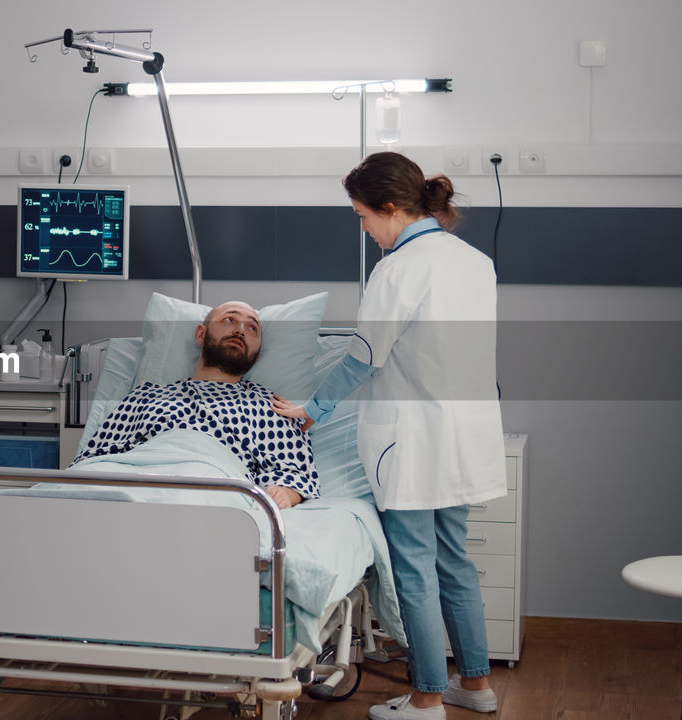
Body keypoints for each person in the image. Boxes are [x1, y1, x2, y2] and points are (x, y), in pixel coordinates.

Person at [271, 152, 506, 719]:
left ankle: (426, 697)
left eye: (362, 216)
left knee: (415, 569)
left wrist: (312, 410)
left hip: (415, 439)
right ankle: (475, 687)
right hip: (466, 433)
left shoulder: (398, 268)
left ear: (392, 208)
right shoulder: (474, 261)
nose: (363, 229)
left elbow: (363, 358)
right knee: (454, 560)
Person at [74, 300, 318, 509]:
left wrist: (287, 493)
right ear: (201, 335)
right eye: (229, 320)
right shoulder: (146, 395)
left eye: (252, 327)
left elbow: (296, 475)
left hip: (208, 480)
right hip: (131, 476)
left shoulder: (269, 406)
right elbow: (94, 459)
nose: (240, 330)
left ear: (256, 353)